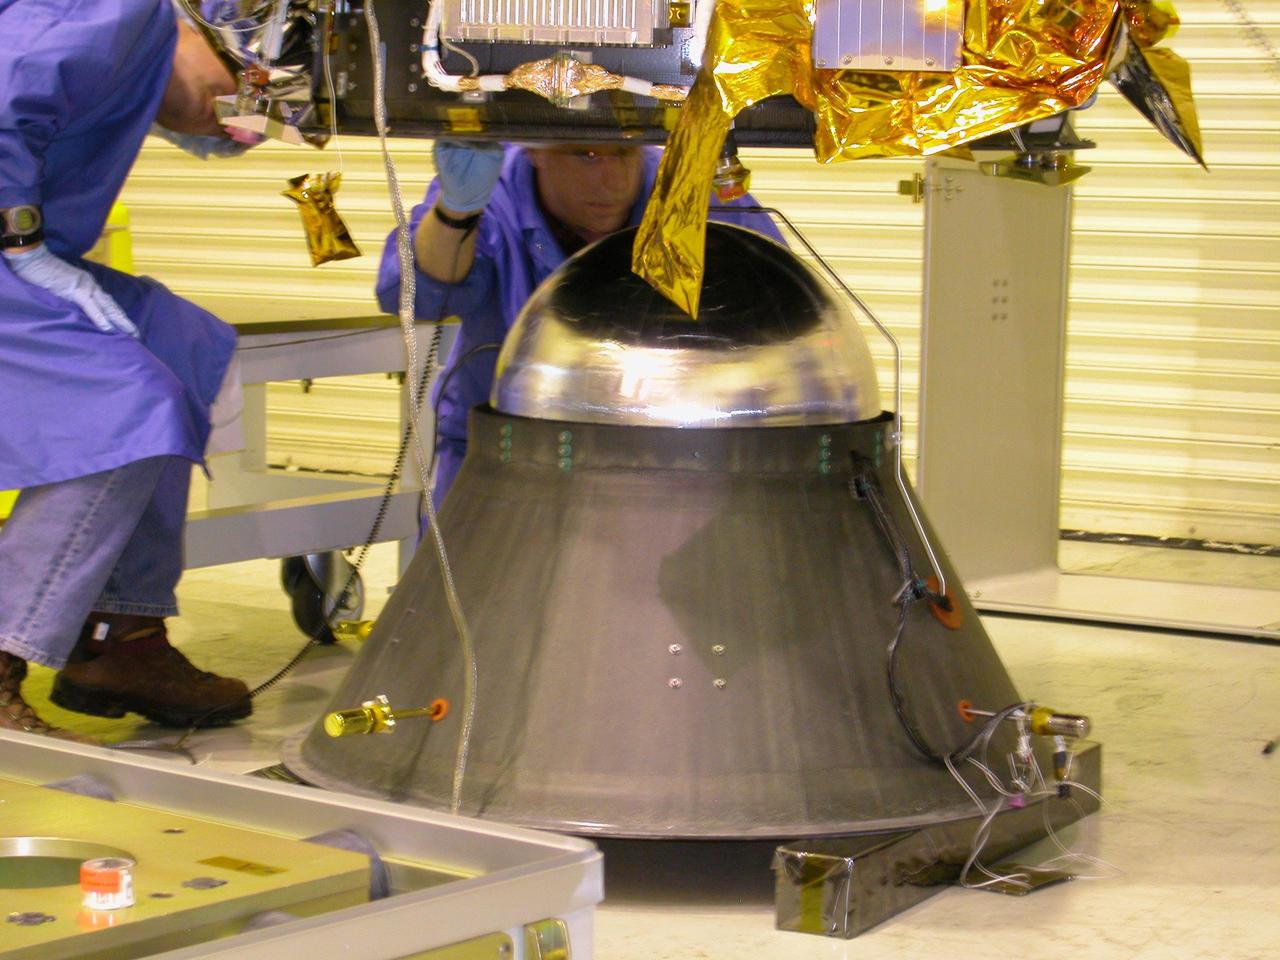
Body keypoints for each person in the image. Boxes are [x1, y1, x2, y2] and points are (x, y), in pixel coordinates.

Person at [0, 0, 255, 740]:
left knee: (180, 341)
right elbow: (7, 95)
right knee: (133, 408)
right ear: (206, 23)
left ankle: (121, 637)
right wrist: (22, 245)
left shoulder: (134, 50)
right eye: (232, 90)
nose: (228, 118)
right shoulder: (119, 8)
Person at [375, 140, 785, 505]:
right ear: (536, 151)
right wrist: (457, 213)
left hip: (658, 464)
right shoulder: (493, 191)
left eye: (624, 154)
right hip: (502, 457)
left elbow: (778, 300)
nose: (611, 182)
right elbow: (412, 295)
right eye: (586, 156)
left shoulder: (688, 190)